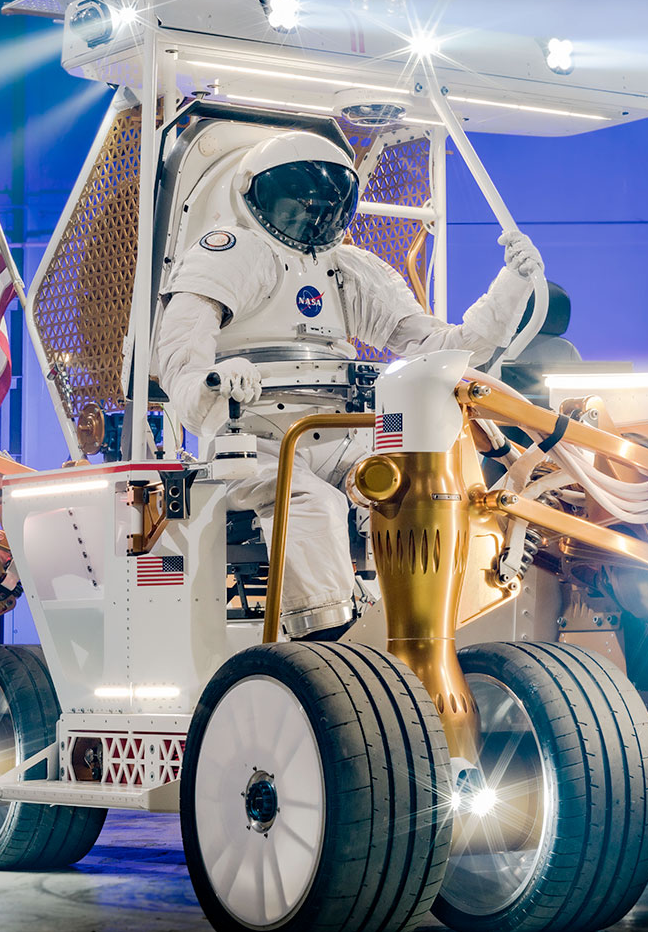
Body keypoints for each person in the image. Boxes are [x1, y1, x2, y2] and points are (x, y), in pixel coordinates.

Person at [153, 125, 543, 639]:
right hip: (255, 439)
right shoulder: (232, 253)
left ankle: (428, 619)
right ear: (254, 195)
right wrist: (213, 383)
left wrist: (509, 289)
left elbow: (440, 348)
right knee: (314, 503)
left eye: (325, 208)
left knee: (415, 489)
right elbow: (178, 355)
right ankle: (328, 642)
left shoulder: (349, 270)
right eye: (299, 206)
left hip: (341, 430)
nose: (312, 219)